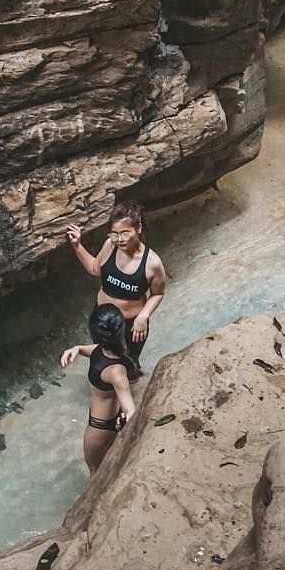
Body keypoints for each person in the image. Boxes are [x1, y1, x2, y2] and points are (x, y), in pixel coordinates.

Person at [65, 200, 166, 374]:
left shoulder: (152, 263)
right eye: (114, 234)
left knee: (128, 365)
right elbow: (94, 269)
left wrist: (143, 316)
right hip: (103, 320)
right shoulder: (109, 246)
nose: (119, 240)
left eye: (125, 233)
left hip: (130, 327)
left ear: (138, 228)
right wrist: (77, 245)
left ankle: (129, 392)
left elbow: (158, 293)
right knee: (103, 355)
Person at [60, 304, 139, 473]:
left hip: (100, 427)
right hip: (108, 421)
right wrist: (77, 349)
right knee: (109, 464)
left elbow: (131, 412)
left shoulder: (117, 372)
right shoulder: (106, 351)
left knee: (95, 471)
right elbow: (94, 351)